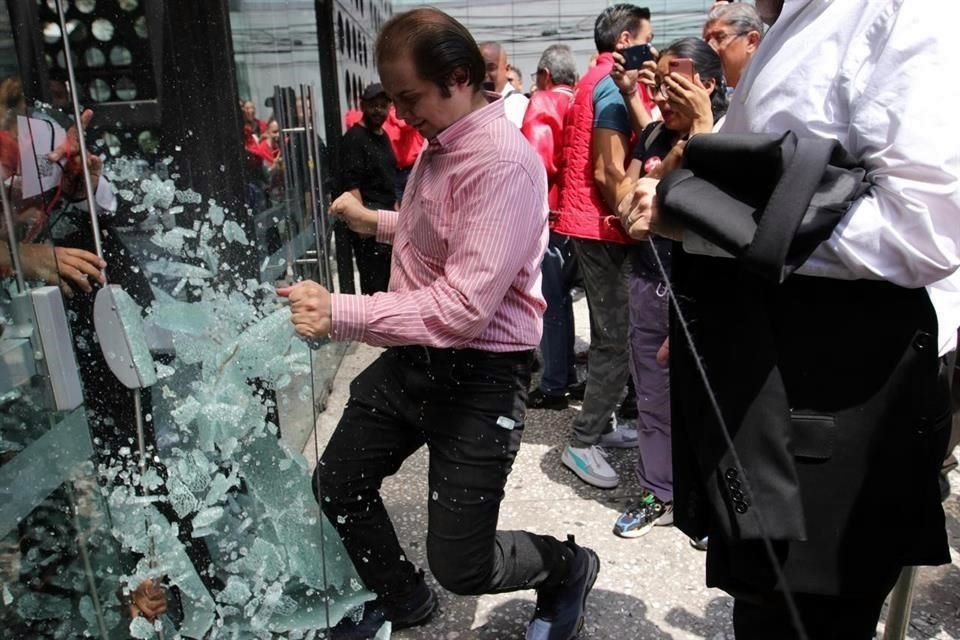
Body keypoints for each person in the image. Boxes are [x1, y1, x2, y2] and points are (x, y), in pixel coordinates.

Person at [618, 0, 960, 637]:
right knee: (765, 605)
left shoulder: (902, 12)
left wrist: (692, 210)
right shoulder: (793, 24)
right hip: (768, 389)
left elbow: (920, 229)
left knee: (807, 618)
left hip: (829, 410)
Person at [278, 8, 599, 639]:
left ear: (457, 77)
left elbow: (461, 307)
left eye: (409, 98)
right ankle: (403, 598)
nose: (400, 115)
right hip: (415, 359)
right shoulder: (443, 146)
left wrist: (340, 310)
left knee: (463, 564)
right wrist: (378, 221)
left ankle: (567, 567)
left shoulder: (502, 162)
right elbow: (451, 229)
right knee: (339, 484)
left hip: (480, 375)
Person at [610, 38, 726, 537]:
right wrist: (670, 159)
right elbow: (625, 205)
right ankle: (660, 491)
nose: (660, 92)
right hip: (651, 282)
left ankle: (706, 499)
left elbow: (714, 213)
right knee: (654, 396)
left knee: (709, 397)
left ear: (706, 84)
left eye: (672, 80)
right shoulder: (655, 133)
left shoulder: (726, 137)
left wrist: (690, 146)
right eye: (657, 81)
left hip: (708, 291)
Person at [554, 4, 655, 490]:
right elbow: (608, 170)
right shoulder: (612, 84)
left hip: (589, 222)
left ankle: (603, 423)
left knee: (613, 332)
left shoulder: (590, 81)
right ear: (625, 43)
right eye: (646, 41)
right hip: (604, 225)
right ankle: (583, 439)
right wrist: (635, 219)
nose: (651, 50)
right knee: (616, 336)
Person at [521, 45, 581, 411]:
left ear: (544, 74)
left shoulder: (544, 102)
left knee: (552, 304)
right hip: (582, 219)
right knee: (567, 304)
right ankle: (567, 375)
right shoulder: (583, 100)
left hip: (552, 216)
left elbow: (536, 165)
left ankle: (555, 383)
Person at [338, 83, 398, 294]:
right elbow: (351, 184)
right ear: (363, 105)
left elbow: (390, 179)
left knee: (391, 286)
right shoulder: (354, 139)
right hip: (369, 228)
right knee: (375, 289)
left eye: (383, 105)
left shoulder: (383, 135)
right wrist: (362, 225)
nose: (378, 110)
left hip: (387, 222)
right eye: (373, 105)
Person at [702, 2, 763, 90]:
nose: (710, 47)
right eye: (707, 40)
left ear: (751, 41)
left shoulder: (770, 86)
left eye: (720, 37)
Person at [479, 41, 529, 127]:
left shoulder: (520, 105)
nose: (485, 75)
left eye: (491, 68)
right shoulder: (471, 104)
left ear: (507, 69)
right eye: (480, 68)